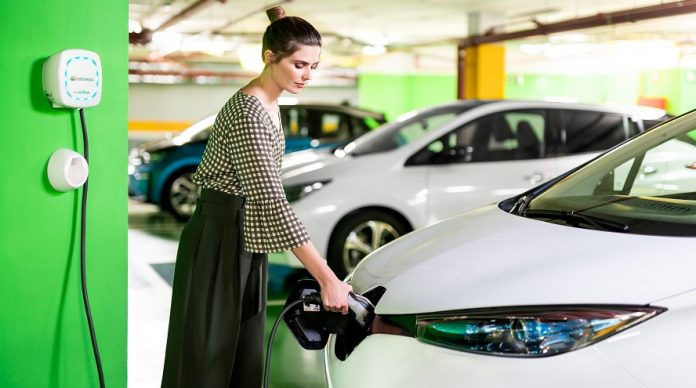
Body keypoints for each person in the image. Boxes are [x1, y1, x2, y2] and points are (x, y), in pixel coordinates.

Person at [161, 6, 352, 388]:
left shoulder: (270, 100)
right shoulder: (248, 112)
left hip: (244, 236)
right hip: (219, 238)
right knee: (207, 358)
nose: (308, 76)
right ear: (269, 58)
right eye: (299, 65)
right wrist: (327, 278)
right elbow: (270, 201)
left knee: (241, 355)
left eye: (314, 66)